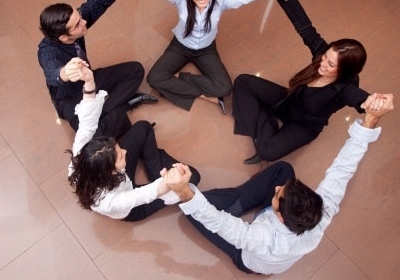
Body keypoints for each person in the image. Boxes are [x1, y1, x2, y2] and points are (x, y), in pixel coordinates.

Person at [163, 93, 394, 274]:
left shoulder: (260, 239)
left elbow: (220, 223)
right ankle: (239, 200)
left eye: (277, 195)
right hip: (273, 234)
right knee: (283, 169)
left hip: (247, 258)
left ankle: (236, 203)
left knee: (193, 210)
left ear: (279, 215)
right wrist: (370, 120)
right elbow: (344, 168)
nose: (276, 188)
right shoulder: (324, 209)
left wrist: (185, 192)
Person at [232, 0, 391, 164]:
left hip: (304, 125)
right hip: (289, 100)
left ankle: (263, 118)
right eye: (326, 57)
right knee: (243, 82)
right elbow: (306, 28)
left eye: (331, 64)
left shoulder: (345, 88)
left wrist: (372, 103)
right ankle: (266, 118)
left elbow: (359, 99)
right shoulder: (322, 55)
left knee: (267, 152)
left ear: (345, 71)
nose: (323, 63)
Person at [38, 0, 157, 139]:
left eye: (80, 17)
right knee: (95, 134)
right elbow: (53, 73)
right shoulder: (47, 51)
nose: (84, 21)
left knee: (136, 70)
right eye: (78, 24)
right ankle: (120, 106)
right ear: (63, 37)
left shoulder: (77, 23)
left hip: (89, 80)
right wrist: (66, 73)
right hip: (70, 99)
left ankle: (105, 110)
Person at [143, 0, 282, 113]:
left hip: (206, 50)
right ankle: (205, 96)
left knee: (225, 88)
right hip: (180, 46)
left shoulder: (221, 0)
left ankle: (182, 80)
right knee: (154, 78)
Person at [67, 63, 201, 221]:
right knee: (193, 178)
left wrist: (89, 82)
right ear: (110, 172)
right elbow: (144, 194)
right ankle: (156, 168)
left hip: (122, 178)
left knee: (143, 127)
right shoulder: (108, 202)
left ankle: (154, 167)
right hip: (133, 208)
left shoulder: (82, 154)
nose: (124, 151)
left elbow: (87, 122)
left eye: (118, 148)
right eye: (121, 156)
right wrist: (171, 180)